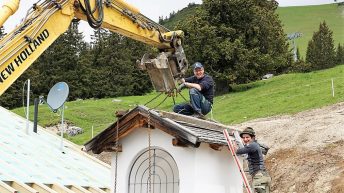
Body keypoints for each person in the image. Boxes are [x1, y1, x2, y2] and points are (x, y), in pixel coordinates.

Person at [235, 127, 271, 193]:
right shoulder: (254, 145)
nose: (245, 139)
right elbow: (244, 150)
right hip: (263, 176)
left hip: (259, 177)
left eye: (247, 137)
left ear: (252, 137)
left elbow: (238, 151)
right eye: (243, 138)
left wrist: (234, 145)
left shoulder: (252, 145)